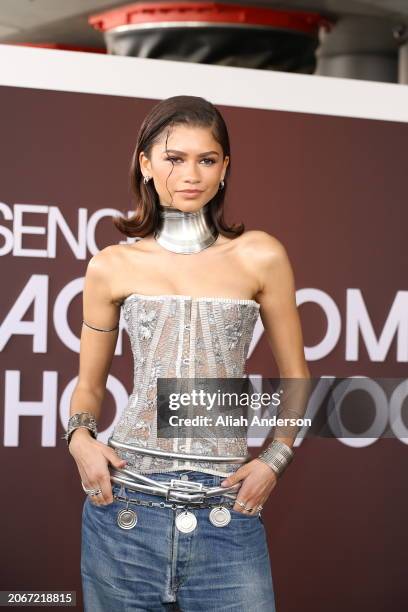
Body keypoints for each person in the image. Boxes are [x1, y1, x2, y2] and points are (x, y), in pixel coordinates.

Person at [65, 95, 310, 611]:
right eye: (175, 158)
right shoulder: (111, 265)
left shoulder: (261, 255)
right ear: (147, 164)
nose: (190, 174)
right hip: (125, 508)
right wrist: (81, 437)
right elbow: (88, 385)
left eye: (207, 159)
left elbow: (297, 377)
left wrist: (276, 457)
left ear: (225, 169)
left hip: (228, 509)